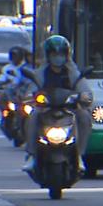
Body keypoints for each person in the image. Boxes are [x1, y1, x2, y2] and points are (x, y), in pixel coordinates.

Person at [23, 35, 93, 171]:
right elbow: (31, 90)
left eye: (61, 54)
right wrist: (30, 97)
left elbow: (84, 90)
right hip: (46, 110)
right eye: (54, 54)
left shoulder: (73, 73)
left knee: (84, 116)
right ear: (48, 55)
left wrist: (84, 96)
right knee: (32, 116)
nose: (58, 58)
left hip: (69, 110)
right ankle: (31, 154)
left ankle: (79, 155)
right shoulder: (41, 73)